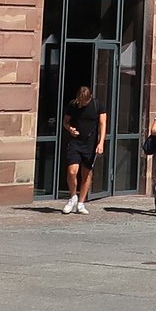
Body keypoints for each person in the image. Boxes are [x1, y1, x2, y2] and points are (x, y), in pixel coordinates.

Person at [61, 84, 106, 214]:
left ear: (90, 97)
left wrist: (101, 143)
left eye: (84, 101)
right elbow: (65, 121)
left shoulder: (97, 105)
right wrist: (70, 129)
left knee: (86, 173)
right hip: (75, 141)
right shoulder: (73, 105)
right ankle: (73, 197)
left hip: (90, 143)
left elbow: (103, 124)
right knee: (72, 171)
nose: (82, 104)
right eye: (80, 101)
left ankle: (81, 203)